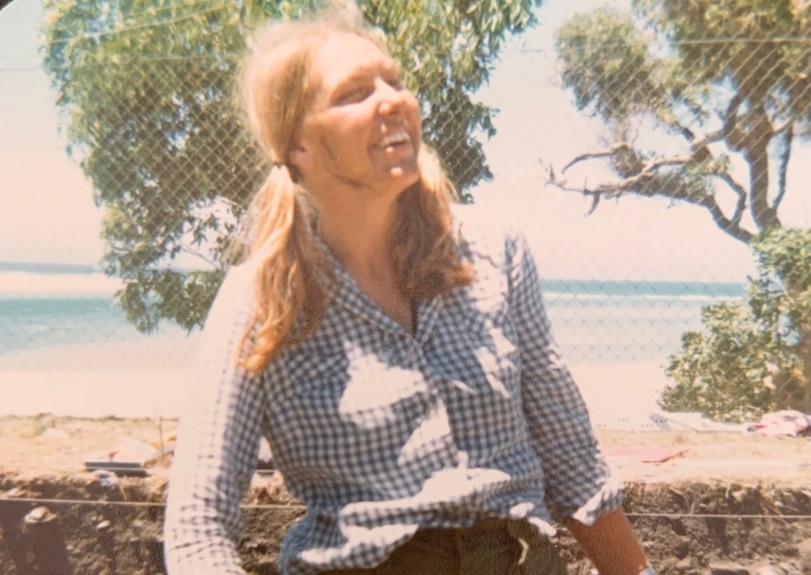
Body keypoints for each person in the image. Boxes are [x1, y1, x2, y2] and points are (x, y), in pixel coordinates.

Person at [164, 13, 654, 575]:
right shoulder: (260, 299)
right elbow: (198, 527)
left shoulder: (494, 252)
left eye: (393, 82)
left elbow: (573, 462)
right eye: (353, 92)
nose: (391, 101)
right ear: (297, 143)